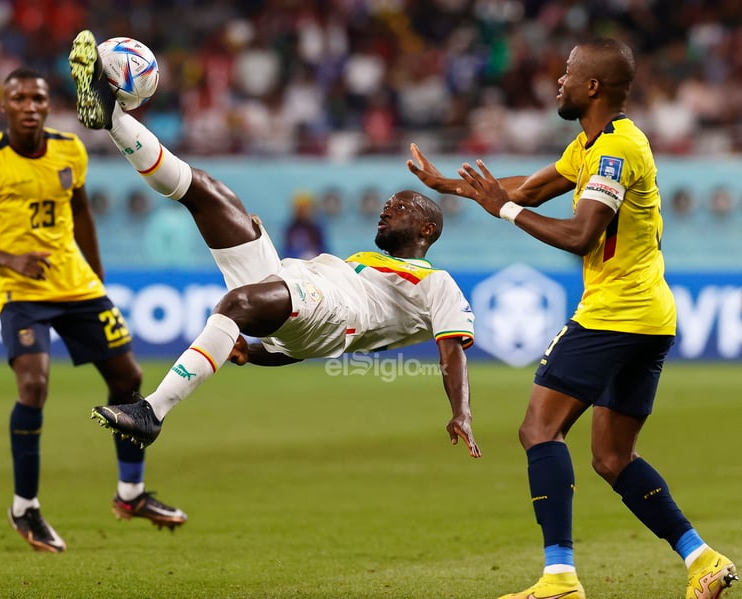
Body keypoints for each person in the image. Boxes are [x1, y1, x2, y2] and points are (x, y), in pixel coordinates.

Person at [407, 38, 737, 599]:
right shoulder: (592, 145)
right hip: (649, 318)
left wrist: (505, 211)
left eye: (567, 73)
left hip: (616, 314)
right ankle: (702, 560)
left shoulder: (617, 151)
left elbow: (580, 231)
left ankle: (559, 578)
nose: (558, 81)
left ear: (592, 87)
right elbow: (529, 188)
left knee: (539, 429)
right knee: (612, 457)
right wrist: (452, 187)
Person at [67, 29, 480, 460]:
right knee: (208, 191)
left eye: (400, 207)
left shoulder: (438, 284)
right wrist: (257, 353)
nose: (386, 209)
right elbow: (301, 340)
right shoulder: (367, 265)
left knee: (234, 304)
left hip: (338, 310)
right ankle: (110, 115)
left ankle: (152, 410)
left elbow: (450, 350)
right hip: (297, 282)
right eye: (389, 203)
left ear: (427, 230)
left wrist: (462, 412)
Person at [0, 67, 187, 553]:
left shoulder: (69, 149)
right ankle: (25, 507)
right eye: (20, 99)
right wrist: (9, 258)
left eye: (38, 98)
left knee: (128, 379)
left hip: (76, 286)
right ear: (5, 107)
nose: (31, 106)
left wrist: (97, 278)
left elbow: (80, 212)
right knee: (34, 385)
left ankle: (132, 495)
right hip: (22, 290)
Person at [282, 190, 328, 259]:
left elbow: (324, 250)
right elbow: (286, 250)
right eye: (300, 208)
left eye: (305, 208)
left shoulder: (316, 228)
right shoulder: (291, 228)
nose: (303, 211)